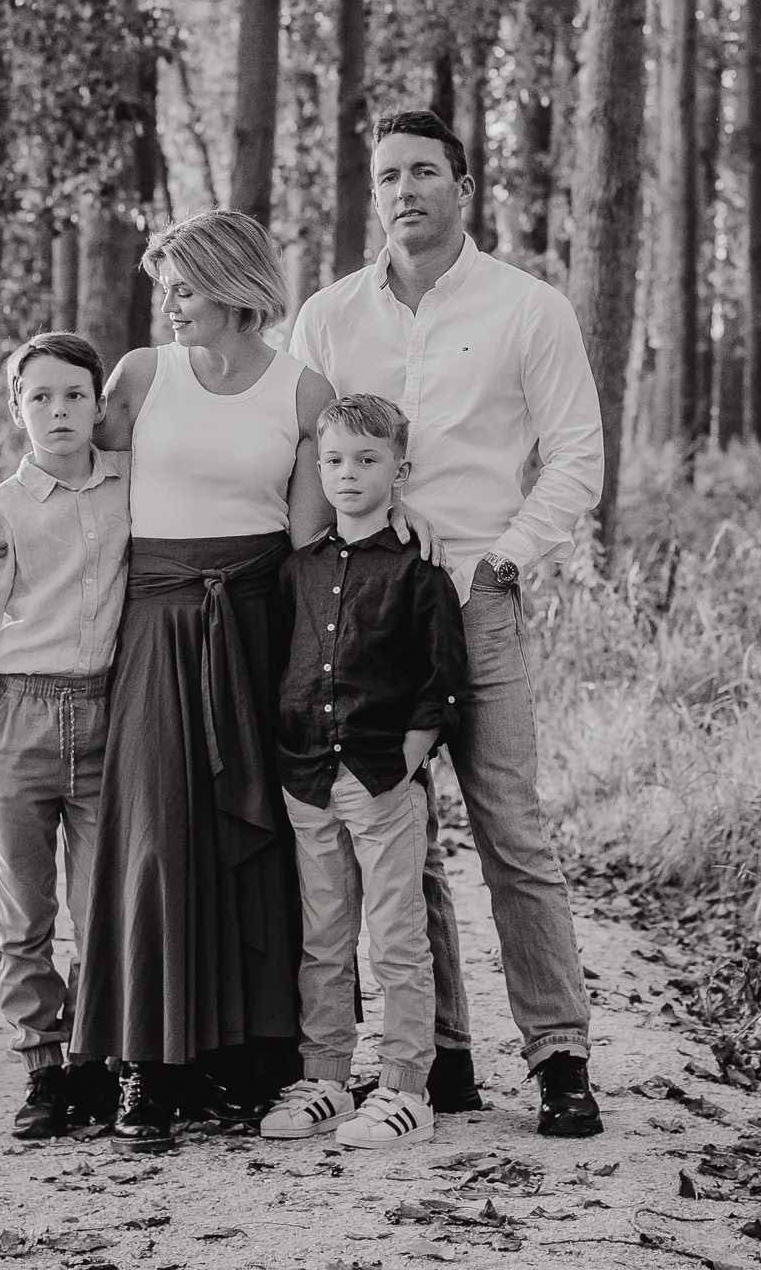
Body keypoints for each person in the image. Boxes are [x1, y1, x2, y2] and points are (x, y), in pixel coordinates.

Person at [0, 210, 337, 1147]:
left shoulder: (302, 390)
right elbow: (65, 465)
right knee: (155, 838)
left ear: (236, 286)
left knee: (255, 844)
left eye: (185, 286)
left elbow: (310, 536)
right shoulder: (139, 375)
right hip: (156, 625)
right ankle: (147, 1064)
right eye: (164, 287)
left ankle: (249, 1061)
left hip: (256, 622)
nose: (168, 303)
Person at [290, 107, 607, 1138]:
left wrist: (506, 556)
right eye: (388, 174)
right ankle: (443, 1055)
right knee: (400, 831)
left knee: (510, 826)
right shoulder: (328, 318)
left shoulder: (527, 308)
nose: (404, 190)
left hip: (477, 599)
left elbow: (576, 456)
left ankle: (559, 1057)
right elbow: (301, 460)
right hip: (369, 615)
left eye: (424, 171)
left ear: (463, 188)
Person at [0, 332, 128, 1142]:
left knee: (101, 903)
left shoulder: (131, 488)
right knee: (25, 907)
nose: (59, 411)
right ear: (17, 410)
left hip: (107, 714)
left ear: (99, 404)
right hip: (22, 715)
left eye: (75, 395)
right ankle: (42, 1065)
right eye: (40, 397)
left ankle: (92, 1059)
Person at [260, 394, 467, 1150]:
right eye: (335, 461)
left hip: (382, 781)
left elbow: (442, 685)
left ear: (399, 472)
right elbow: (281, 667)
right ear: (319, 470)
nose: (348, 474)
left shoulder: (420, 572)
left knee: (397, 939)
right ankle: (325, 1079)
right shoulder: (299, 571)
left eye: (367, 460)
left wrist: (400, 767)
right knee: (323, 937)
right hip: (307, 781)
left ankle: (406, 1089)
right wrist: (292, 758)